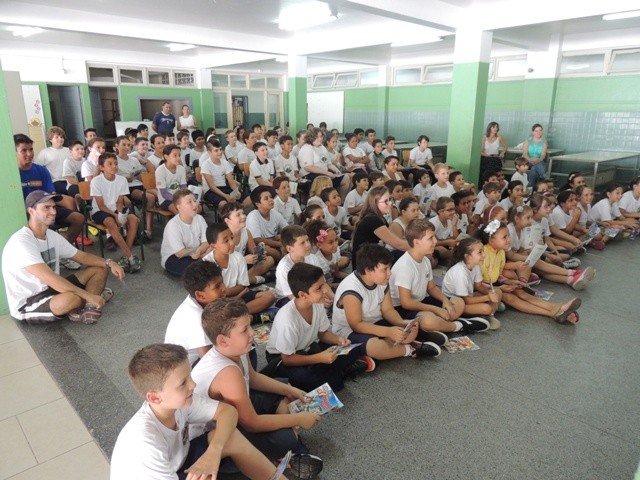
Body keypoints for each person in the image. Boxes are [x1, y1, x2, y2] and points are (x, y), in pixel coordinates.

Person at [110, 343, 285, 480]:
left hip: (178, 464)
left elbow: (228, 412)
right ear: (155, 397)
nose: (193, 385)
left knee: (229, 437)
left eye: (190, 376)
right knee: (204, 475)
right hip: (165, 473)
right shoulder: (145, 442)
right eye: (183, 383)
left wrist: (213, 452)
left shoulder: (178, 403)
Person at [190, 298, 324, 473]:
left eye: (250, 326)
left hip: (234, 411)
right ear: (223, 341)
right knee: (286, 439)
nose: (252, 333)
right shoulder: (226, 373)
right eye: (244, 330)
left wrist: (290, 390)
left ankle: (285, 435)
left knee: (284, 388)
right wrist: (298, 419)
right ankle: (246, 460)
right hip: (214, 435)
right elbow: (251, 423)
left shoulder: (237, 349)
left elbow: (252, 378)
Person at [2, 190, 125, 324]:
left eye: (54, 207)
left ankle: (88, 308)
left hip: (52, 290)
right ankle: (89, 299)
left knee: (99, 268)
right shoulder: (21, 242)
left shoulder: (51, 235)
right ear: (31, 211)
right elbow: (50, 278)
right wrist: (88, 295)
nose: (53, 212)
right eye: (46, 208)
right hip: (30, 302)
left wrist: (109, 262)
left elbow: (80, 256)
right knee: (72, 299)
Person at [331, 244, 441, 364]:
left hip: (375, 322)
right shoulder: (352, 289)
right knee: (374, 346)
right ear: (368, 270)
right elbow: (357, 325)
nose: (390, 273)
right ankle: (410, 349)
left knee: (406, 331)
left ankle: (390, 347)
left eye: (390, 268)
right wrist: (388, 332)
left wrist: (401, 323)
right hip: (349, 331)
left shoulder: (382, 280)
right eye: (385, 269)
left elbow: (388, 310)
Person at [266, 262, 366, 392]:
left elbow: (322, 333)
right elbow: (287, 359)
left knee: (352, 350)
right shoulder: (288, 319)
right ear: (303, 295)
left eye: (324, 284)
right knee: (306, 377)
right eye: (319, 288)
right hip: (281, 357)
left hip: (308, 347)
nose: (325, 290)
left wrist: (339, 340)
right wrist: (319, 357)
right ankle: (335, 373)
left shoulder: (317, 303)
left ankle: (331, 374)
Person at [390, 219, 488, 337]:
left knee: (458, 301)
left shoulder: (425, 260)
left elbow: (431, 287)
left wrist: (445, 301)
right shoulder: (405, 266)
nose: (435, 241)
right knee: (428, 321)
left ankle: (440, 326)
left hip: (421, 301)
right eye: (430, 238)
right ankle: (458, 325)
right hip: (402, 308)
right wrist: (435, 309)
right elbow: (406, 303)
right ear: (417, 242)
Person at [476, 220, 583, 324]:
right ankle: (554, 311)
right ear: (491, 240)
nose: (509, 239)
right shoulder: (483, 254)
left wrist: (510, 281)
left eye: (508, 236)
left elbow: (498, 273)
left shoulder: (500, 252)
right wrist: (500, 287)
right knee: (510, 298)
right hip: (484, 288)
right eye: (504, 237)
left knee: (521, 292)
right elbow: (478, 283)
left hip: (495, 284)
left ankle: (555, 309)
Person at [203, 223, 277, 321]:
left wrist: (231, 294)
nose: (232, 243)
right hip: (219, 302)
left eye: (231, 238)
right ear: (213, 246)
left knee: (269, 296)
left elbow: (242, 286)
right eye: (226, 241)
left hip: (238, 296)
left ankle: (237, 317)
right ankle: (253, 318)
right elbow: (210, 296)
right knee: (216, 312)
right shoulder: (205, 264)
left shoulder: (238, 257)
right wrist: (235, 296)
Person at [90, 153, 143, 273]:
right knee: (110, 221)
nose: (114, 166)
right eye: (110, 164)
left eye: (115, 163)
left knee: (133, 219)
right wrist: (115, 216)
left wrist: (120, 215)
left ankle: (125, 257)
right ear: (101, 167)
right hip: (99, 211)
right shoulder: (96, 181)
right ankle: (130, 256)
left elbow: (119, 202)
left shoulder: (122, 180)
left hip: (115, 209)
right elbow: (101, 206)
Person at [164, 261, 225, 365]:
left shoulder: (199, 301)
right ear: (200, 295)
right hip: (187, 368)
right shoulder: (196, 319)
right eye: (217, 286)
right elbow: (208, 361)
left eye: (222, 282)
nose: (224, 288)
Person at [351, 186, 408, 269]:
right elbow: (398, 244)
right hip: (365, 266)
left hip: (372, 258)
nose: (390, 203)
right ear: (375, 203)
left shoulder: (379, 218)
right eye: (386, 201)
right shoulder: (373, 220)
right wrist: (419, 246)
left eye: (390, 199)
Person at [220, 201, 276, 285]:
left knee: (269, 260)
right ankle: (253, 280)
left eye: (243, 213)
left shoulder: (246, 232)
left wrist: (259, 255)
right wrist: (243, 260)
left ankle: (245, 280)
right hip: (229, 269)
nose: (243, 216)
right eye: (238, 215)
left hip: (242, 268)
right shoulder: (223, 237)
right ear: (227, 220)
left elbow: (253, 251)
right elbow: (223, 264)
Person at [274, 225, 329, 307]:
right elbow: (292, 296)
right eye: (302, 243)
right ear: (290, 249)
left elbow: (322, 283)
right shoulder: (284, 268)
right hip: (288, 298)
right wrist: (318, 303)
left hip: (311, 290)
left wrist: (334, 299)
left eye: (307, 240)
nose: (308, 245)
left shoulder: (312, 258)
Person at [160, 189, 209, 276]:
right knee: (197, 270)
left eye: (195, 200)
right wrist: (200, 253)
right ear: (179, 207)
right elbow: (180, 253)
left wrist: (199, 251)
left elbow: (206, 241)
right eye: (189, 202)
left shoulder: (200, 219)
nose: (195, 204)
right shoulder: (173, 225)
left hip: (196, 253)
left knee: (217, 252)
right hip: (175, 257)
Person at [299, 128, 349, 198]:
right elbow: (308, 167)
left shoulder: (322, 147)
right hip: (309, 175)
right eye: (317, 137)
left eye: (321, 136)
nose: (320, 139)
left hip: (324, 173)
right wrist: (327, 173)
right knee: (326, 179)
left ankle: (341, 201)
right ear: (311, 137)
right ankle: (327, 201)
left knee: (346, 178)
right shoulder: (307, 148)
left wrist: (336, 170)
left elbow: (329, 164)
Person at [245, 186, 287, 262]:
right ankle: (283, 259)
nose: (271, 200)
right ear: (258, 204)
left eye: (271, 197)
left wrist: (282, 235)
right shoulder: (253, 216)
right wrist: (280, 244)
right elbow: (257, 240)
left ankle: (284, 258)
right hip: (258, 247)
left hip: (274, 243)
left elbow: (287, 229)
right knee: (265, 248)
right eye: (266, 198)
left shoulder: (275, 213)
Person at [303, 220, 349, 285]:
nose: (336, 244)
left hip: (331, 279)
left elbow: (336, 273)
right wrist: (339, 285)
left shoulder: (335, 251)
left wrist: (350, 277)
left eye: (336, 239)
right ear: (319, 245)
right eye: (330, 242)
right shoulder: (318, 260)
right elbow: (323, 284)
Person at [35, 126, 71, 194]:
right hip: (56, 182)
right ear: (50, 139)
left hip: (70, 180)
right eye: (56, 137)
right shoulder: (45, 152)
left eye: (61, 137)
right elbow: (37, 168)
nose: (60, 139)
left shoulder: (69, 150)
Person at [156, 144, 188, 214]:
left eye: (179, 155)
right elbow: (164, 193)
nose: (178, 158)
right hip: (165, 199)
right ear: (166, 157)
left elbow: (183, 187)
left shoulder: (181, 169)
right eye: (175, 155)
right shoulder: (160, 170)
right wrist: (179, 200)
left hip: (180, 198)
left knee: (196, 208)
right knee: (180, 211)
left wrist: (186, 198)